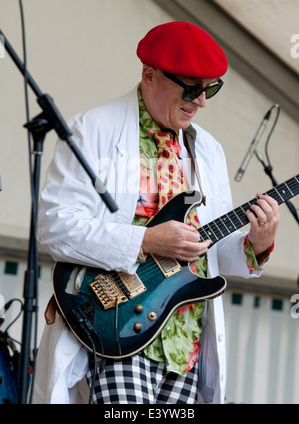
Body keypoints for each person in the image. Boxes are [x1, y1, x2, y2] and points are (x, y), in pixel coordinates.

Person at [32, 21, 280, 404]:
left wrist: (256, 244)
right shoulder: (92, 129)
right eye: (191, 88)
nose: (200, 101)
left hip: (186, 339)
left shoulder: (208, 151)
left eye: (209, 89)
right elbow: (54, 226)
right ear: (149, 74)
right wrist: (145, 239)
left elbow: (213, 252)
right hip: (117, 325)